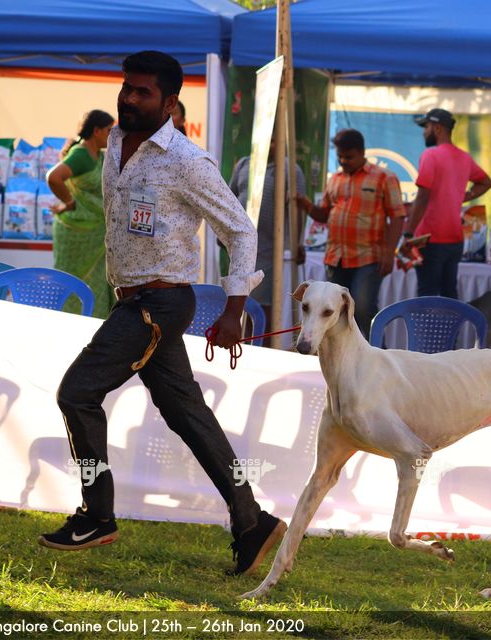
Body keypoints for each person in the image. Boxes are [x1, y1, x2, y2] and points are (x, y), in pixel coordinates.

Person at [40, 51, 285, 577]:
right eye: (126, 88)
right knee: (189, 417)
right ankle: (252, 521)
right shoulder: (112, 146)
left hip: (161, 304)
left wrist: (234, 307)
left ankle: (97, 514)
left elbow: (240, 231)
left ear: (171, 103)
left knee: (77, 393)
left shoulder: (189, 162)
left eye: (142, 92)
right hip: (131, 300)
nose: (128, 98)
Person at [299, 129, 406, 339]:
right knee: (334, 312)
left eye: (349, 157)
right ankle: (338, 360)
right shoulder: (335, 178)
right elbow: (323, 214)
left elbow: (398, 216)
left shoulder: (384, 177)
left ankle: (377, 357)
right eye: (339, 156)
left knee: (364, 309)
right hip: (336, 257)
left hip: (368, 256)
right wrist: (305, 204)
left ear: (362, 152)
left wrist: (389, 252)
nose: (343, 161)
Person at [401, 108, 491, 298]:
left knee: (427, 297)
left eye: (426, 127)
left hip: (429, 239)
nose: (424, 132)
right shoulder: (464, 157)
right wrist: (462, 196)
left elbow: (423, 197)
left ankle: (426, 330)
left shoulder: (431, 155)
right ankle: (451, 329)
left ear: (437, 128)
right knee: (449, 295)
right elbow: (486, 182)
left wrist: (408, 232)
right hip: (455, 240)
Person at [46, 110, 116, 318]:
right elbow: (54, 177)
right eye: (108, 130)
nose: (112, 135)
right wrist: (68, 202)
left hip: (95, 233)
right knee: (73, 281)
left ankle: (94, 327)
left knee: (97, 283)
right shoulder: (82, 154)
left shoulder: (99, 156)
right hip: (76, 232)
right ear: (96, 131)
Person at [228, 139, 306, 321]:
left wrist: (298, 243)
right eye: (266, 140)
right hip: (239, 249)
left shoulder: (291, 170)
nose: (270, 145)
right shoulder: (244, 164)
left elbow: (298, 212)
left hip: (269, 253)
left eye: (274, 141)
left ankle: (261, 346)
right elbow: (230, 198)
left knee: (262, 310)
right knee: (239, 304)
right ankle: (243, 345)